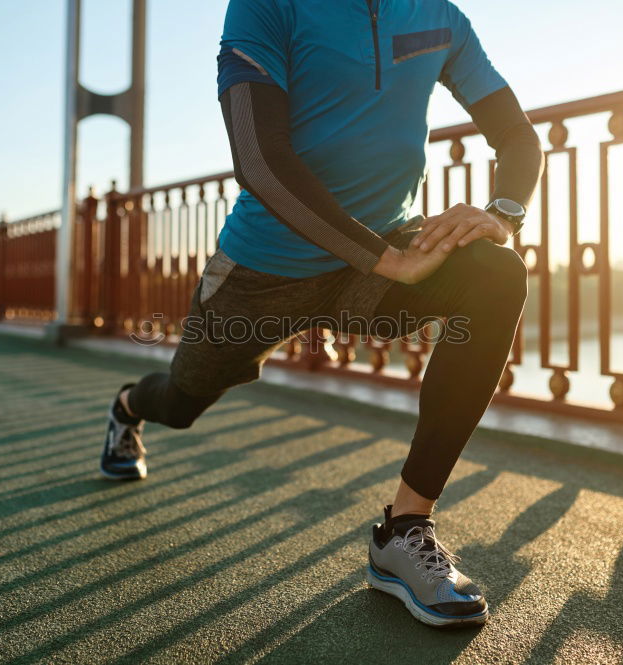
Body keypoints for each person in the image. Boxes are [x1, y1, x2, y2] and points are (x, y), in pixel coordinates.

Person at [100, 0, 544, 627]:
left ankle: (403, 530)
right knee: (182, 400)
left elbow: (516, 136)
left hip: (374, 261)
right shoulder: (264, 7)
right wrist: (384, 260)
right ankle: (128, 407)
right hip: (263, 275)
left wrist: (502, 214)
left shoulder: (439, 17)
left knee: (496, 275)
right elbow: (260, 160)